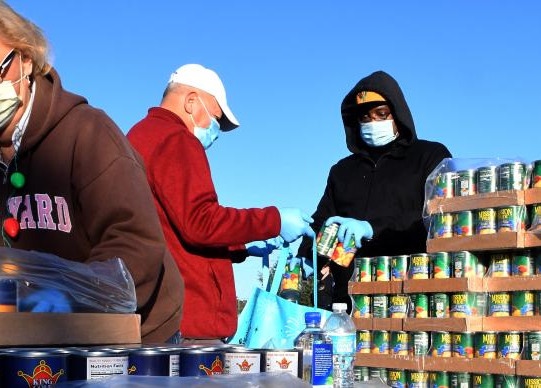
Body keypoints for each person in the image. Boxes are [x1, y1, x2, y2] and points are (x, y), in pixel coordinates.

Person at [0, 0, 183, 343]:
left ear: (26, 60)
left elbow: (135, 242)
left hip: (121, 342)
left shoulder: (88, 134)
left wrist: (75, 299)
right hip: (5, 345)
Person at [127, 64, 314, 342]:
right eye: (214, 119)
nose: (214, 131)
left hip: (155, 314)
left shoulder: (138, 136)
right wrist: (274, 220)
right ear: (191, 101)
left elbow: (172, 227)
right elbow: (200, 222)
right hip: (188, 323)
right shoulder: (177, 139)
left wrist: (242, 246)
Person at [297, 70, 452, 308]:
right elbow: (322, 220)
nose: (373, 123)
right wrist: (306, 252)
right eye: (365, 118)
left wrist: (373, 228)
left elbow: (438, 216)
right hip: (349, 298)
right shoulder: (342, 171)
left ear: (398, 113)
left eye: (381, 114)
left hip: (411, 293)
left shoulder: (430, 156)